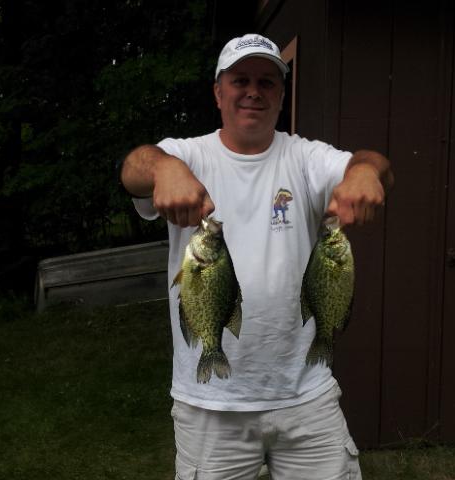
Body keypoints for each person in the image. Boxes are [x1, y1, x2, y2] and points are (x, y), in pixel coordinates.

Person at [119, 33, 393, 480]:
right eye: (240, 79)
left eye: (267, 83)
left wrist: (364, 172)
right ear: (218, 92)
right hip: (210, 403)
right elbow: (134, 168)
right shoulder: (186, 154)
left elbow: (373, 161)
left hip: (307, 395)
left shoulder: (304, 157)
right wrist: (164, 169)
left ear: (281, 96)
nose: (253, 91)